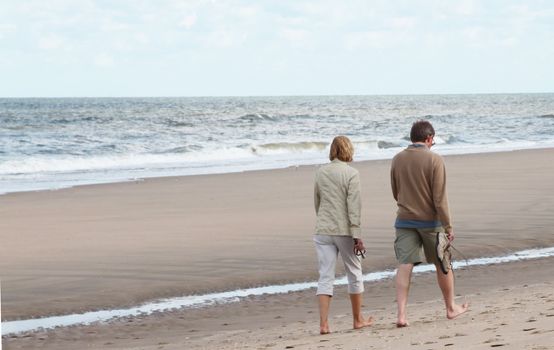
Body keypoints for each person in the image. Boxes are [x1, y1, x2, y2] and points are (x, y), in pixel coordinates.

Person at [390, 120, 469, 327]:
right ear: (429, 138)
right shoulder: (435, 160)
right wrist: (448, 226)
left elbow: (395, 190)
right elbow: (440, 198)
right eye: (433, 140)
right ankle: (451, 308)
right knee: (442, 264)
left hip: (404, 219)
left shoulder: (397, 159)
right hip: (430, 222)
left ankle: (401, 315)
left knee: (405, 265)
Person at [313, 135, 373, 334]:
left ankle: (323, 324)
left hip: (323, 229)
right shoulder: (351, 174)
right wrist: (357, 235)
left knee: (325, 276)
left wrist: (323, 220)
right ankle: (357, 319)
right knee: (354, 273)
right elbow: (353, 206)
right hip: (345, 230)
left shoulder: (320, 172)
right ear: (349, 150)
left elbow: (317, 201)